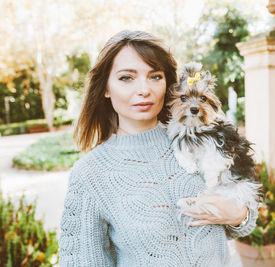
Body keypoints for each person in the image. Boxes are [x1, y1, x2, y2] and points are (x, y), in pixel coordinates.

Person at [59, 30, 258, 267]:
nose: (144, 89)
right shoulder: (90, 175)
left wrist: (239, 216)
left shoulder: (201, 140)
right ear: (105, 88)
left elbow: (242, 219)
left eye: (155, 76)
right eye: (126, 78)